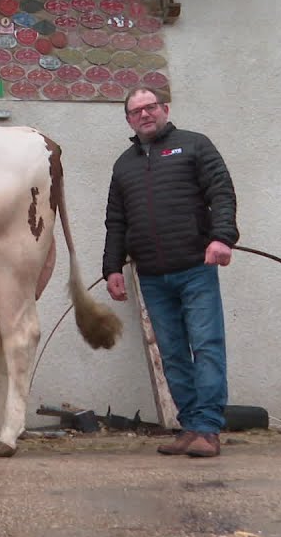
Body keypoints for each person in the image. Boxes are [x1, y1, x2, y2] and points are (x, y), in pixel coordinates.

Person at [102, 88, 238, 459]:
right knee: (173, 354)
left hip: (196, 267)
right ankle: (190, 427)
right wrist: (112, 268)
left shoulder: (194, 146)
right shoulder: (124, 165)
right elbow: (116, 221)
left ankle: (208, 431)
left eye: (150, 108)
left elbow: (221, 193)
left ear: (164, 109)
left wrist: (222, 237)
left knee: (207, 347)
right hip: (152, 276)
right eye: (136, 111)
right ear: (129, 120)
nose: (144, 115)